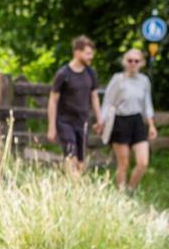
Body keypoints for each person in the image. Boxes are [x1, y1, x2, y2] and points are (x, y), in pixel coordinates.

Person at [100, 48, 158, 192]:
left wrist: (151, 125)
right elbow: (108, 102)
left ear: (141, 63)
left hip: (137, 121)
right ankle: (121, 194)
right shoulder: (118, 79)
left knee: (143, 162)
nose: (133, 63)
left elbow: (147, 105)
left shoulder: (144, 81)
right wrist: (102, 121)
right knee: (123, 163)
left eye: (136, 61)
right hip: (120, 121)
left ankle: (131, 190)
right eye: (130, 60)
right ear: (125, 62)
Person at [47, 35, 103, 174]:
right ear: (77, 52)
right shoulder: (63, 74)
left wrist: (99, 119)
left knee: (81, 162)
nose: (91, 57)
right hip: (65, 121)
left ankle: (73, 187)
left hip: (83, 122)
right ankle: (73, 186)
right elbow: (53, 101)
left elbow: (94, 97)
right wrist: (51, 127)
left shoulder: (91, 73)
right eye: (88, 53)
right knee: (70, 155)